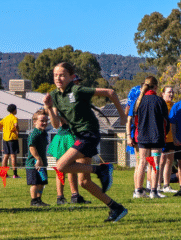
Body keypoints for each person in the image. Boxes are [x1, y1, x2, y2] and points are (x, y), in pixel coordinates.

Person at [43, 62, 127, 222]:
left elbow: (110, 92)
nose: (58, 78)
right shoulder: (54, 95)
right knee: (84, 182)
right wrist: (48, 108)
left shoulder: (77, 90)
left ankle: (101, 169)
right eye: (55, 75)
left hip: (89, 133)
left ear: (71, 77)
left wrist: (122, 116)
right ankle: (116, 208)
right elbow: (55, 125)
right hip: (78, 137)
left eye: (62, 75)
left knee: (61, 166)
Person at [128, 76, 170, 199]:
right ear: (156, 87)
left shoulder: (138, 101)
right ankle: (153, 191)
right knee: (155, 163)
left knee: (142, 162)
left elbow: (134, 121)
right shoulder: (160, 101)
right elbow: (166, 122)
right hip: (156, 137)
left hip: (142, 137)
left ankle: (138, 191)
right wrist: (165, 134)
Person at [26, 109, 51, 207]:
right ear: (35, 121)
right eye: (42, 121)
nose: (44, 123)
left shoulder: (44, 133)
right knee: (35, 183)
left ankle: (39, 199)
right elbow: (31, 147)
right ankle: (34, 200)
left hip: (42, 164)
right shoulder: (34, 134)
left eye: (46, 121)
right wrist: (38, 159)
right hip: (34, 164)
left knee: (42, 182)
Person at [158, 86, 178, 194]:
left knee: (170, 161)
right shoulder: (161, 105)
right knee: (161, 161)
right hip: (162, 138)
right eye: (169, 92)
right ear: (163, 94)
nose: (171, 94)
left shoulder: (174, 106)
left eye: (172, 92)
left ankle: (166, 185)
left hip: (171, 138)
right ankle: (157, 184)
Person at [0, 104, 20, 178]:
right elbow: (15, 125)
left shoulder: (5, 118)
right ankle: (15, 174)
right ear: (14, 110)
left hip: (5, 138)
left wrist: (3, 130)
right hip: (12, 139)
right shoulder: (14, 118)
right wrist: (17, 130)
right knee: (13, 156)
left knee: (6, 156)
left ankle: (4, 174)